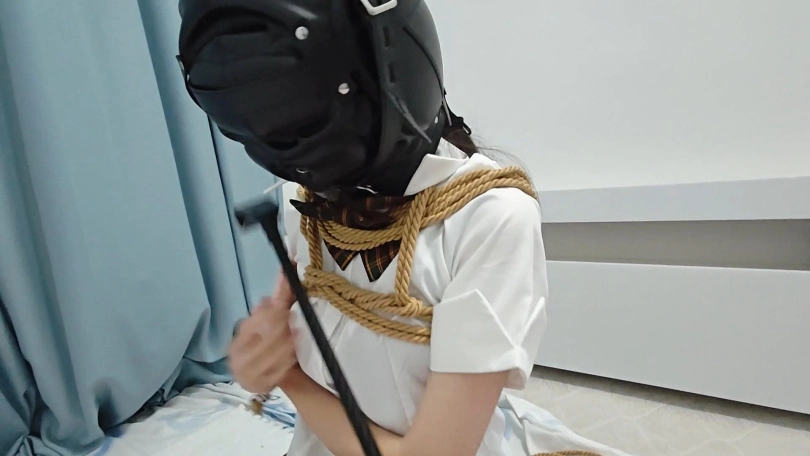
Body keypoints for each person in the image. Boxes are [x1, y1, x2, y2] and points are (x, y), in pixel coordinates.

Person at [176, 1, 549, 455]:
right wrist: (263, 355)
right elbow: (286, 333)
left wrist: (288, 376)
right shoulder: (303, 206)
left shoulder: (490, 219)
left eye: (303, 121)